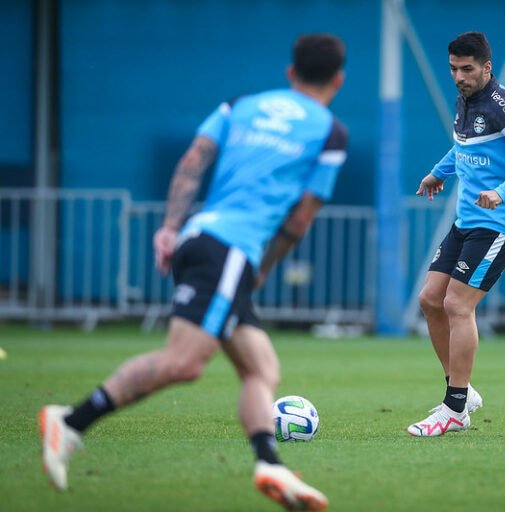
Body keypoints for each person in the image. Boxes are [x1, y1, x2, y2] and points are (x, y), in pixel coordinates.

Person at [39, 33, 348, 511]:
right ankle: (71, 422)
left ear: (290, 73)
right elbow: (301, 218)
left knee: (261, 367)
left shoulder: (239, 105)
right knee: (184, 362)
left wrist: (168, 227)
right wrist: (261, 270)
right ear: (338, 80)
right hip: (231, 250)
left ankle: (270, 464)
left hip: (201, 236)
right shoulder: (331, 132)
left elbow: (193, 161)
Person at [407, 32, 505, 437]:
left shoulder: (502, 106)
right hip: (467, 221)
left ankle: (454, 408)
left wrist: (503, 192)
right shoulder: (466, 100)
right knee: (430, 299)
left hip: (502, 224)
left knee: (457, 304)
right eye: (453, 68)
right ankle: (463, 391)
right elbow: (464, 146)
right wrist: (440, 170)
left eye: (467, 69)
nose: (458, 76)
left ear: (487, 67)